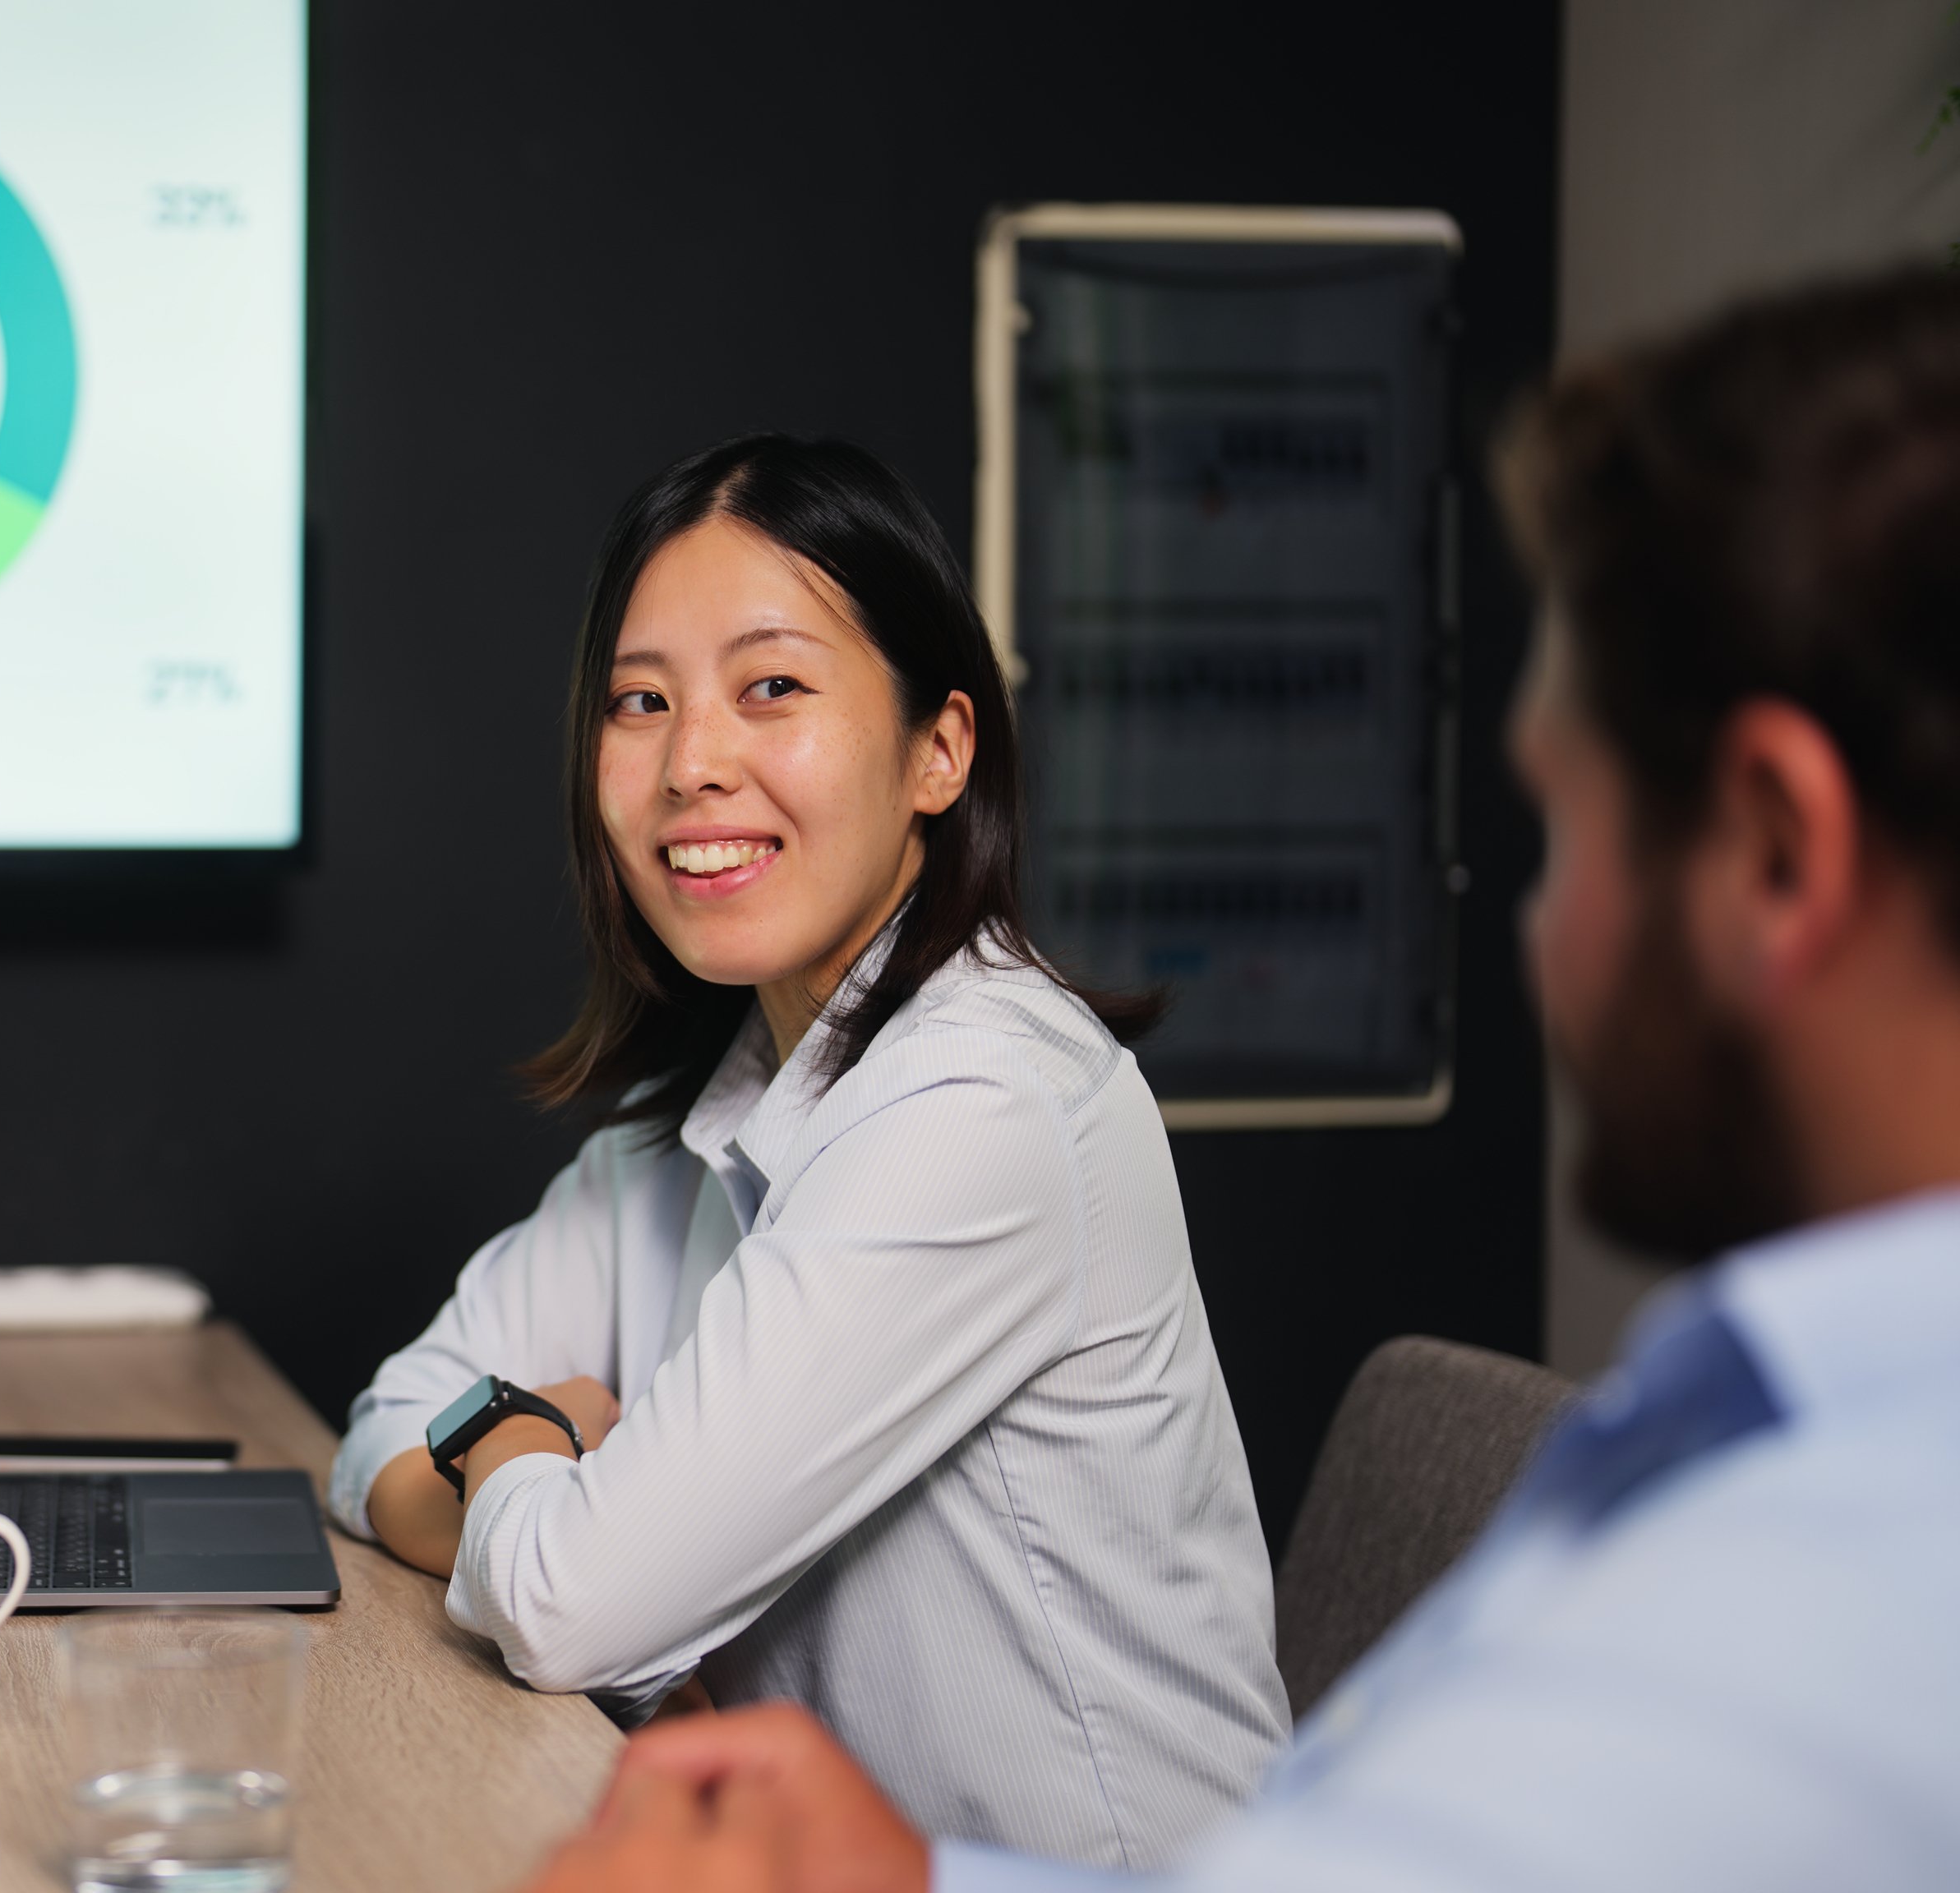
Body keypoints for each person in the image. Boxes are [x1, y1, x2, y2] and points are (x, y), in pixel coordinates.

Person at [517, 267, 1960, 1893]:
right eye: (642, 702)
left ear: (1775, 851)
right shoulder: (1739, 1420)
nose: (1538, 930)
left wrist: (894, 1879)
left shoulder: (1851, 1562)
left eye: (1564, 829)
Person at [330, 435, 1289, 1867]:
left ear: (939, 750)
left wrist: (514, 1443)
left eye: (771, 687)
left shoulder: (984, 1101)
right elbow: (382, 1429)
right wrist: (518, 1480)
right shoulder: (705, 1117)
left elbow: (566, 1604)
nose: (691, 764)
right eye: (640, 702)